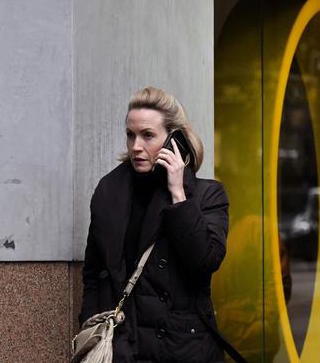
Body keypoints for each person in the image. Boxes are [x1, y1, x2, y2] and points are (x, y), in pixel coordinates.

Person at [79, 87, 229, 363]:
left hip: (182, 348)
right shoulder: (108, 193)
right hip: (124, 348)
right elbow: (94, 272)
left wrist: (179, 196)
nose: (136, 146)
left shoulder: (207, 195)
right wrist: (91, 328)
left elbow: (205, 261)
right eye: (130, 134)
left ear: (175, 140)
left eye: (148, 135)